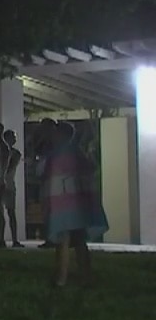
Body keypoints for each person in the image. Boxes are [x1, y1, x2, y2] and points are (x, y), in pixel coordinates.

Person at [42, 121, 107, 287]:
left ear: (61, 135)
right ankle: (86, 275)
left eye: (55, 133)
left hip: (61, 203)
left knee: (62, 240)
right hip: (78, 203)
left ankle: (61, 278)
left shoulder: (55, 154)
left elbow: (44, 174)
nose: (52, 136)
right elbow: (90, 169)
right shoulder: (78, 152)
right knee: (79, 240)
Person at [2, 129, 24, 248]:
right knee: (1, 212)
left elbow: (10, 167)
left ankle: (15, 239)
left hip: (9, 184)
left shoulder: (15, 153)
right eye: (13, 137)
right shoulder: (4, 151)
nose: (15, 140)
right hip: (4, 184)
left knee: (11, 212)